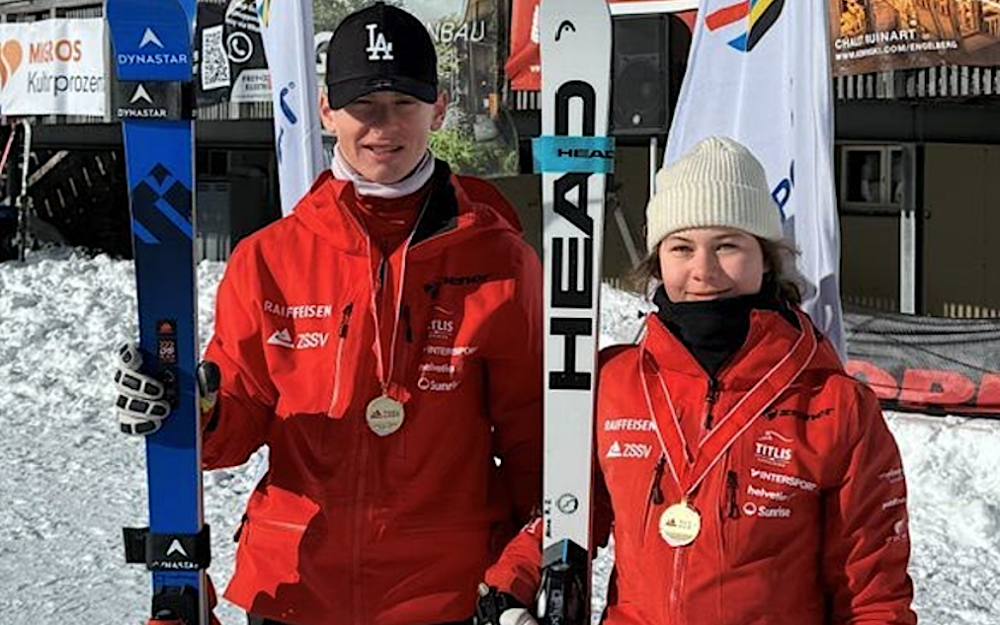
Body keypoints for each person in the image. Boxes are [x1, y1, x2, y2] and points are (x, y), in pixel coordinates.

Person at [114, 4, 542, 624]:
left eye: (404, 103)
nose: (383, 127)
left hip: (444, 594)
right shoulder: (269, 258)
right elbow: (237, 422)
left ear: (439, 107)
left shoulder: (500, 262)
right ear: (325, 110)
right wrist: (191, 410)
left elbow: (535, 445)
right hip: (293, 587)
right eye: (363, 105)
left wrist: (523, 575)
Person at [481, 137, 917, 625]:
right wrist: (512, 580)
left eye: (727, 245)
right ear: (657, 260)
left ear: (767, 257)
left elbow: (874, 595)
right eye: (681, 248)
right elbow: (569, 509)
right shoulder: (614, 382)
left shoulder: (834, 405)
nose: (703, 271)